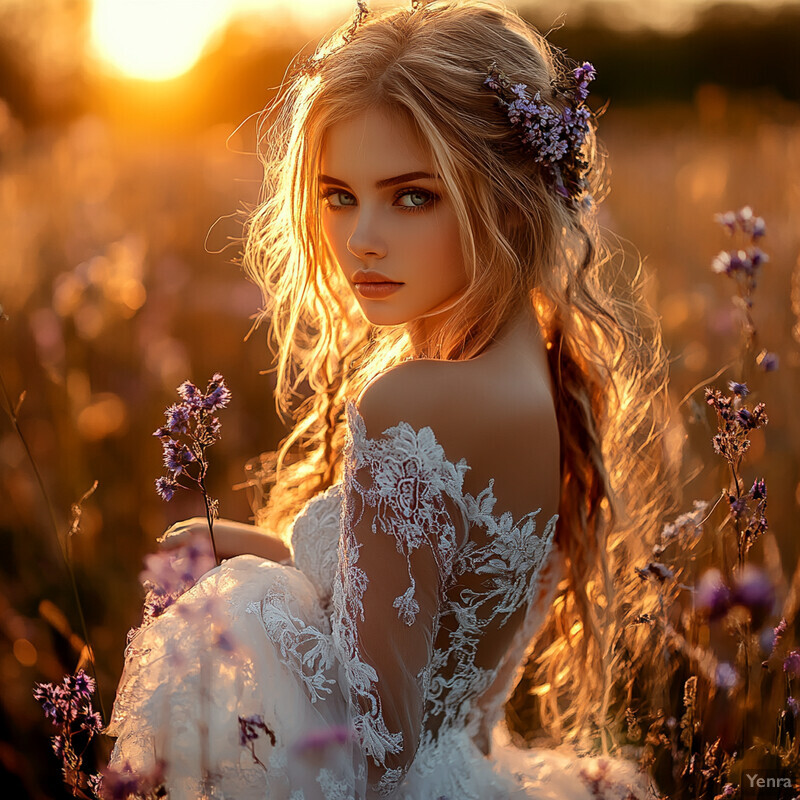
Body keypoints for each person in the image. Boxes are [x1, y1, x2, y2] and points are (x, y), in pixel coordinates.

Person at [107, 1, 677, 798]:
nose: (361, 238)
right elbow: (434, 654)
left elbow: (377, 744)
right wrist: (258, 550)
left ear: (508, 196)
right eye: (339, 195)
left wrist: (246, 598)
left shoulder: (417, 405)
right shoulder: (541, 374)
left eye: (412, 196)